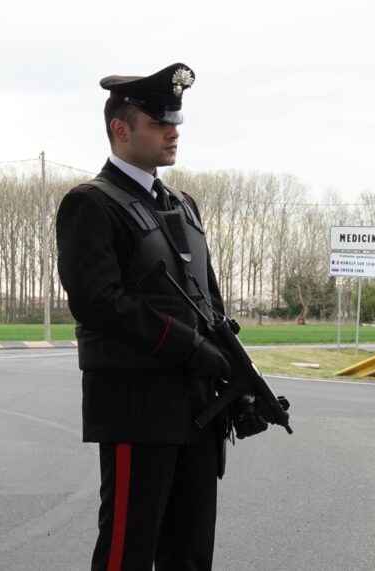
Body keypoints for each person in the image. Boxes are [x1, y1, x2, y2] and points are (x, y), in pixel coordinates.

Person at [55, 63, 268, 571]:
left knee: (191, 555)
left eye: (175, 122)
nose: (173, 132)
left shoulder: (183, 205)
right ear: (121, 129)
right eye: (158, 123)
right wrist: (188, 348)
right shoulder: (91, 205)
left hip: (199, 408)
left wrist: (234, 375)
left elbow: (209, 303)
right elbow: (98, 302)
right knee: (127, 554)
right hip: (138, 409)